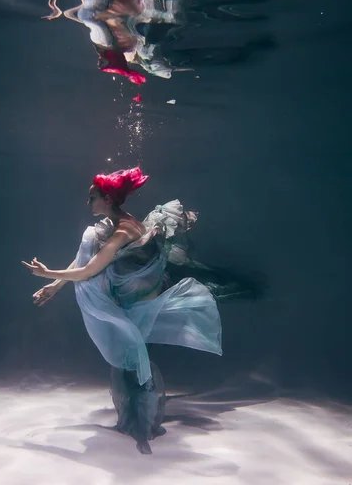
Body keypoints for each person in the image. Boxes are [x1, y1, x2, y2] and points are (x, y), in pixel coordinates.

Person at [22, 167, 260, 454]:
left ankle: (142, 426)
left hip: (140, 300)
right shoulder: (113, 224)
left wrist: (48, 274)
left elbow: (88, 271)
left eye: (92, 197)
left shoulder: (124, 230)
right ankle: (136, 419)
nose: (88, 203)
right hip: (129, 295)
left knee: (131, 356)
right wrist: (55, 287)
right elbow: (84, 258)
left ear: (107, 198)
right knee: (126, 357)